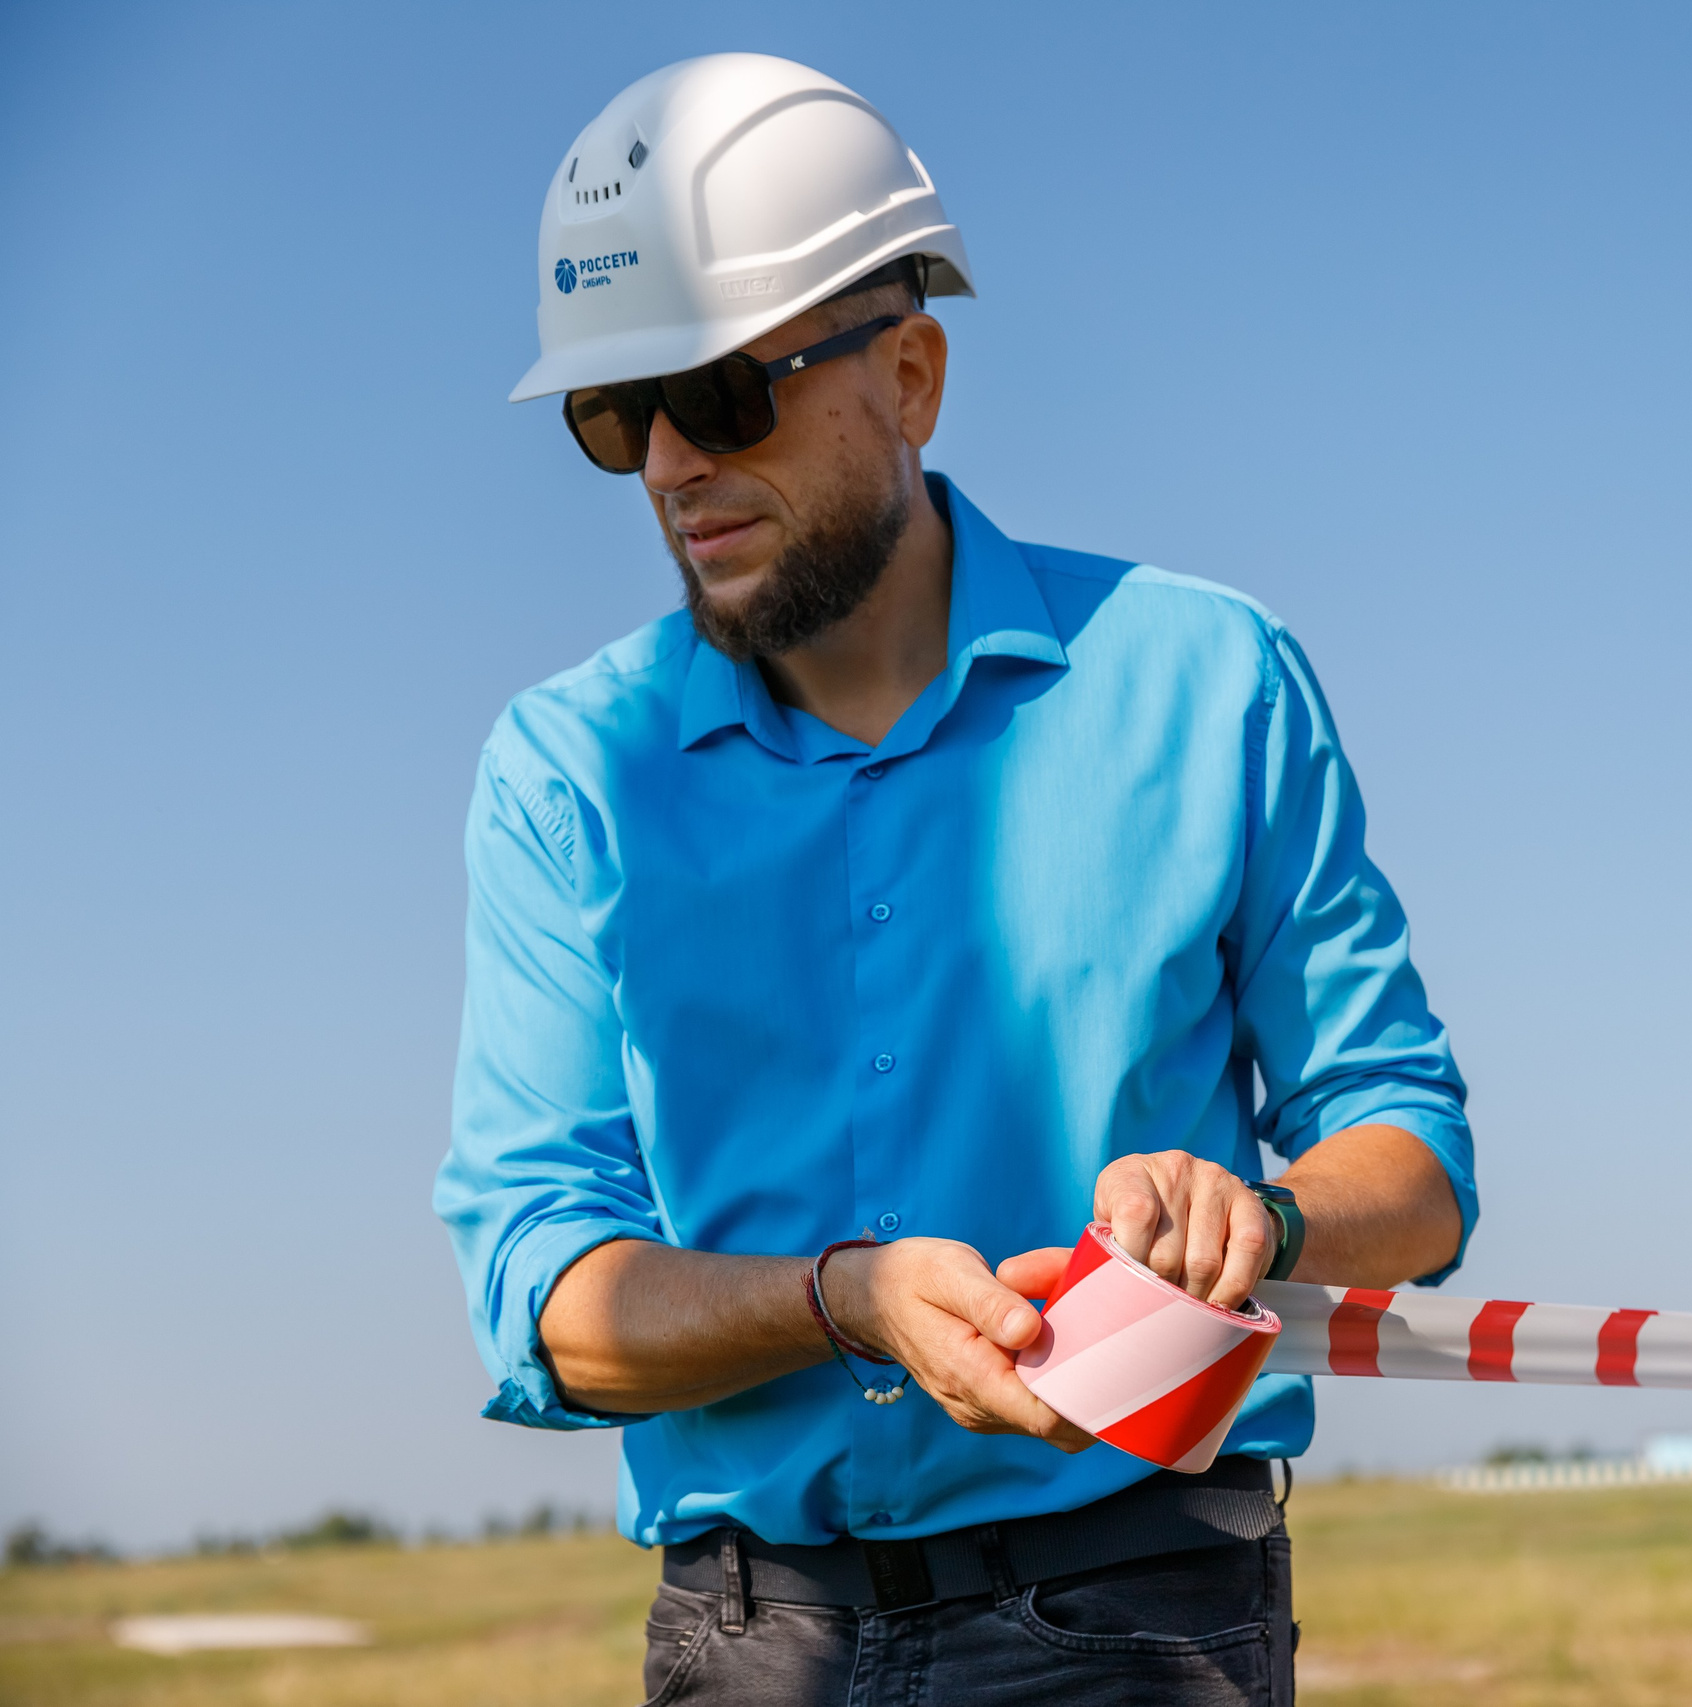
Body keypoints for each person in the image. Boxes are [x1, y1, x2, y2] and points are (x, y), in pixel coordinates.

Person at [432, 54, 1475, 1707]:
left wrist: (1259, 1213)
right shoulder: (568, 775)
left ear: (910, 375)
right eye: (616, 417)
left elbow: (1413, 1165)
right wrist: (844, 1302)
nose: (672, 469)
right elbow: (549, 1303)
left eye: (720, 394)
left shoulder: (1209, 681)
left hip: (1139, 1619)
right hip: (742, 1642)